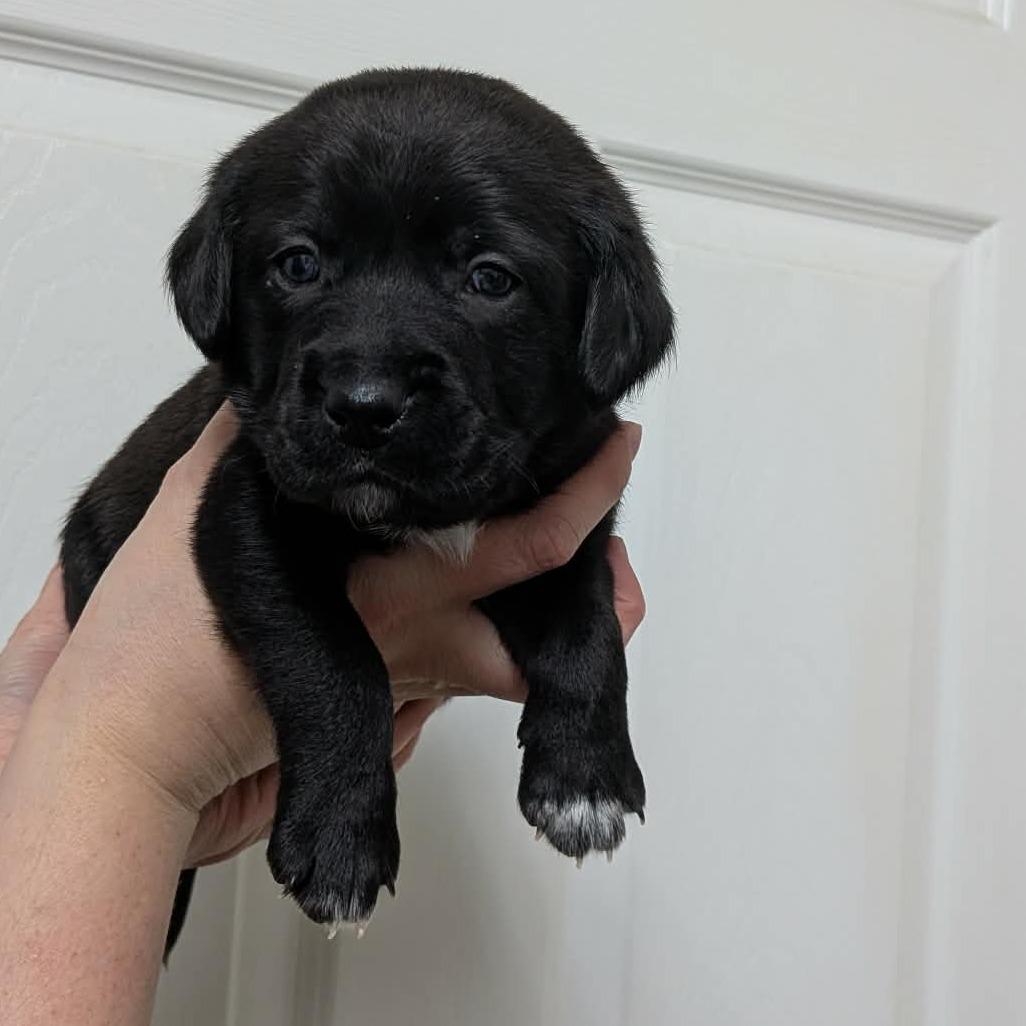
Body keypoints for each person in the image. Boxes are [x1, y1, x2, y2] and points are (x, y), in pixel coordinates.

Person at [0, 405, 645, 1026]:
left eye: (489, 290)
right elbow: (248, 537)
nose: (368, 389)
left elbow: (555, 568)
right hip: (110, 584)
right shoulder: (284, 445)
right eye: (306, 283)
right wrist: (133, 768)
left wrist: (581, 688)